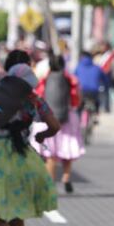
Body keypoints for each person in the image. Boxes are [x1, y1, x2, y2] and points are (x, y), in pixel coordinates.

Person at [0, 51, 61, 226]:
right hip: (22, 159)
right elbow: (54, 125)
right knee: (18, 212)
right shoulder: (32, 98)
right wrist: (41, 137)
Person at [33, 54, 84, 194]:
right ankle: (66, 177)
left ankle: (51, 183)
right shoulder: (71, 79)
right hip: (68, 117)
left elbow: (39, 97)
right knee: (66, 149)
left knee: (50, 154)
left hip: (49, 118)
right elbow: (76, 100)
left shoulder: (44, 79)